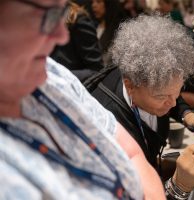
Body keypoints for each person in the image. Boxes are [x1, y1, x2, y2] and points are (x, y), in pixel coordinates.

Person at [0, 0, 166, 199]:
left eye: (60, 13)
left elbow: (131, 154)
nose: (61, 36)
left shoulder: (55, 75)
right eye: (47, 16)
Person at [85, 15, 194, 199]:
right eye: (162, 97)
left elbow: (170, 95)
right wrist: (179, 185)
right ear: (130, 85)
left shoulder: (140, 76)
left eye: (177, 92)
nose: (173, 103)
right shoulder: (107, 131)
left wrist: (186, 114)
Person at [51, 1, 103, 82]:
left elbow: (97, 70)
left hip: (71, 89)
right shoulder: (40, 20)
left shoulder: (78, 19)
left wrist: (60, 75)